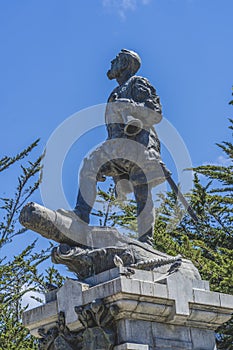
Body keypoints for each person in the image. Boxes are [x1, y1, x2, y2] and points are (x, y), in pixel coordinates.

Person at [74, 49, 170, 242]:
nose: (111, 62)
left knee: (141, 191)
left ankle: (146, 240)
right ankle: (80, 217)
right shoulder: (114, 92)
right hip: (116, 148)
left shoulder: (137, 83)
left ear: (125, 64)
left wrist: (131, 106)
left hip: (138, 147)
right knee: (89, 165)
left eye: (116, 60)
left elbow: (155, 113)